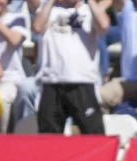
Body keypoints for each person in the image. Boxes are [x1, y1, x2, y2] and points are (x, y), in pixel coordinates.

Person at [33, 0, 111, 134]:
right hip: (51, 83)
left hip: (83, 83)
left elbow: (104, 25)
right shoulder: (49, 10)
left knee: (94, 136)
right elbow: (37, 27)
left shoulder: (89, 10)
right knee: (48, 140)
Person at [0, 0, 26, 133]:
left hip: (11, 79)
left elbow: (14, 40)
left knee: (1, 98)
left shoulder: (17, 18)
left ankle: (4, 138)